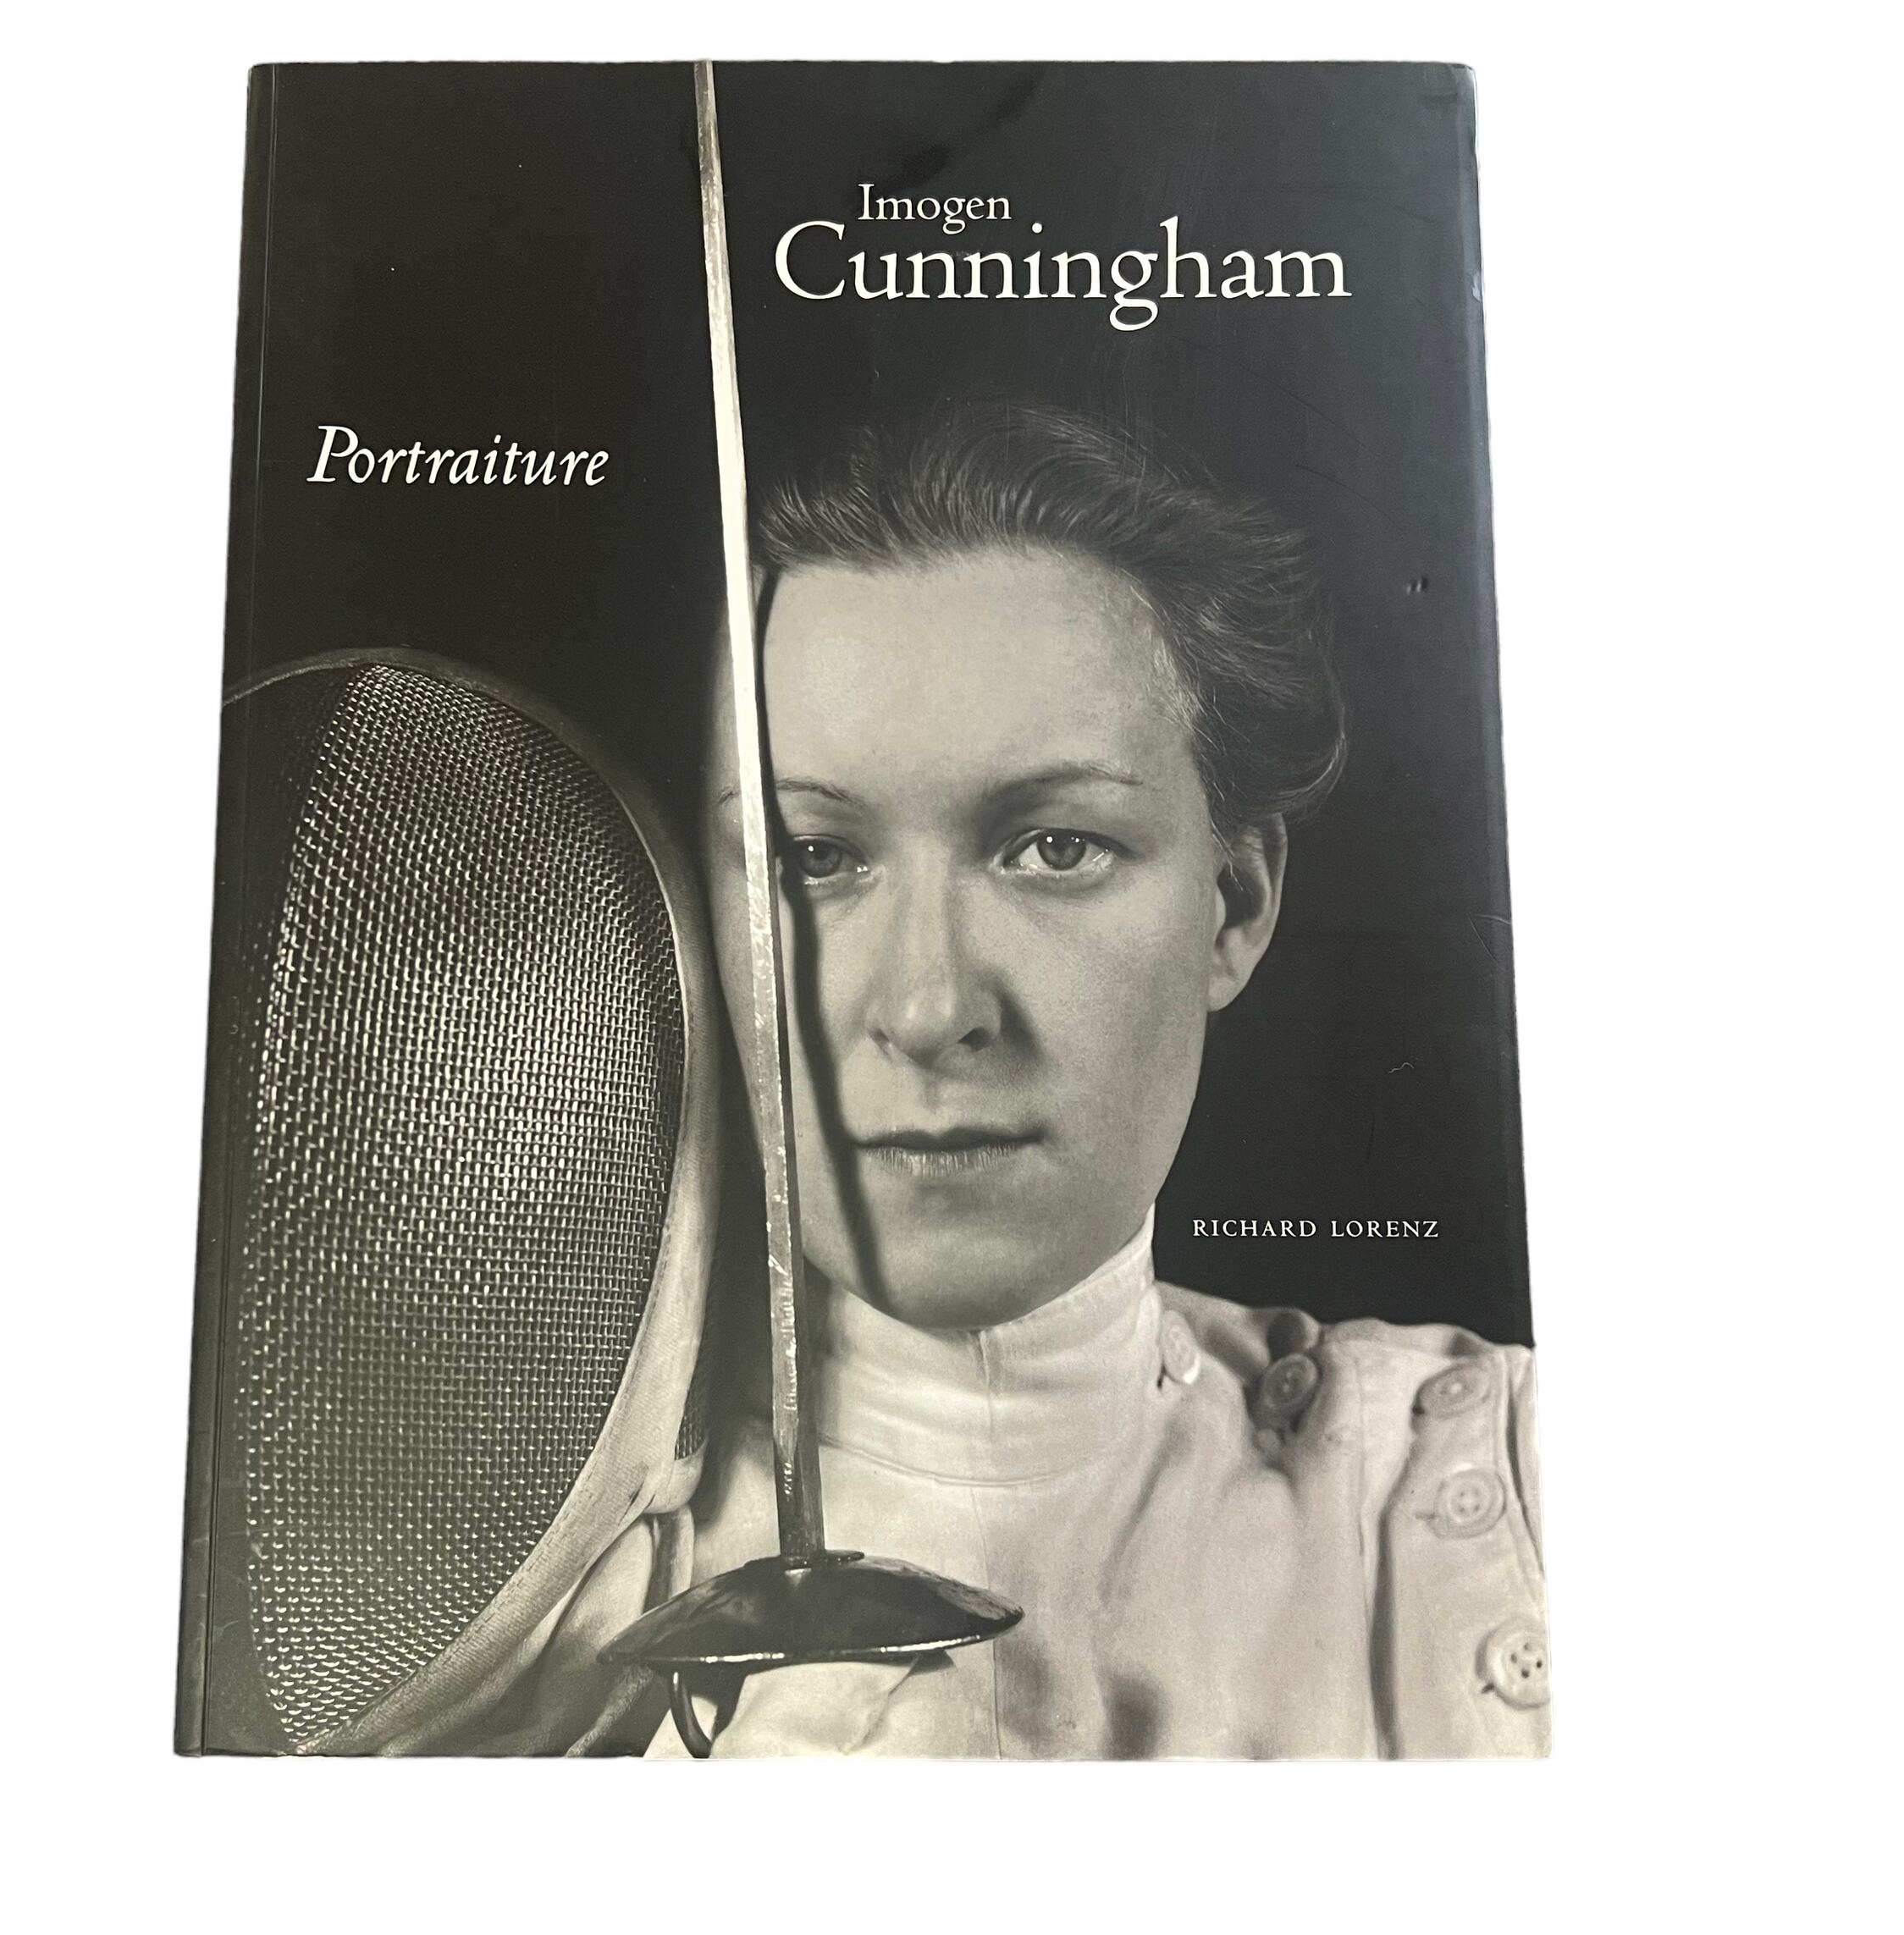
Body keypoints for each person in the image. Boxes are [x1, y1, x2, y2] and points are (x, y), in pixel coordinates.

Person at [660, 401, 1548, 1759]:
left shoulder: (1509, 1479)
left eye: (1056, 847)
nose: (930, 1010)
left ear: (1234, 903)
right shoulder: (470, 1588)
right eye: (813, 858)